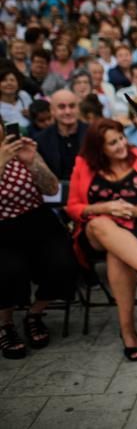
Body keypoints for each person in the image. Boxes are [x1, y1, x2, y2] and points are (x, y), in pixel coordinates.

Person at [66, 118, 137, 361]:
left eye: (122, 138)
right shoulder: (84, 164)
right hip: (96, 234)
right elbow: (72, 207)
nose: (121, 144)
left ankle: (129, 332)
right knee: (100, 224)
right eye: (112, 143)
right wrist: (105, 207)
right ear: (99, 148)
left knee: (118, 254)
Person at [0, 121, 75, 359]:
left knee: (63, 262)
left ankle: (35, 314)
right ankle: (6, 325)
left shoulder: (19, 150)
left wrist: (32, 161)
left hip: (36, 218)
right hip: (2, 226)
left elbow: (52, 188)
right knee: (9, 270)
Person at [0, 65, 32, 131]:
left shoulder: (24, 95)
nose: (9, 83)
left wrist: (32, 115)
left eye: (12, 80)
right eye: (4, 80)